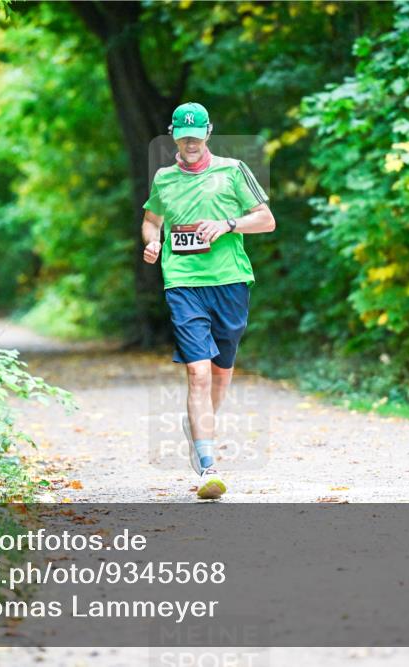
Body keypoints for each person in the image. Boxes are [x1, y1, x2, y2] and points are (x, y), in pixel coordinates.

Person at [142, 102, 276, 499]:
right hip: (182, 283)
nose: (190, 144)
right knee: (198, 373)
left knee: (220, 373)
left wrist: (228, 224)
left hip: (230, 281)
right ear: (173, 136)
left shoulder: (233, 171)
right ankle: (207, 465)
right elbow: (152, 220)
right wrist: (154, 242)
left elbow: (266, 219)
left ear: (208, 133)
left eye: (196, 137)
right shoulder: (164, 179)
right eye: (183, 138)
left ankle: (199, 427)